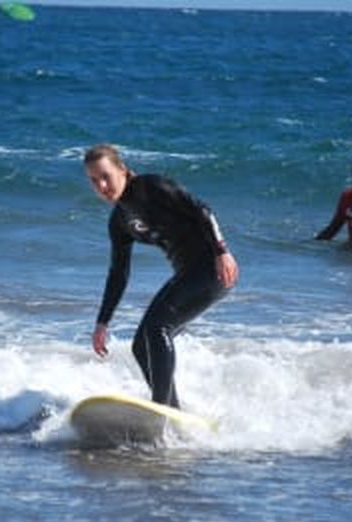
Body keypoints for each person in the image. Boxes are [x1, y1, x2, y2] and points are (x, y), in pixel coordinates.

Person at [83, 144, 239, 409]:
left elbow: (201, 210)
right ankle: (171, 410)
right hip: (189, 274)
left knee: (157, 329)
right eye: (94, 181)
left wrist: (221, 251)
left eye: (105, 176)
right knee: (140, 347)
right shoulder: (119, 220)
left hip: (211, 269)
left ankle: (162, 409)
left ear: (122, 170)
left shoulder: (151, 187)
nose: (101, 185)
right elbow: (119, 273)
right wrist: (102, 322)